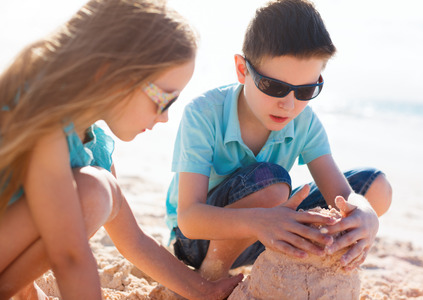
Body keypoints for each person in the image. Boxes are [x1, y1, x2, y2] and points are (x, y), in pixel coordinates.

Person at [0, 0, 243, 299]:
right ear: (112, 74)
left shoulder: (93, 148)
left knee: (99, 189)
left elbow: (134, 241)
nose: (166, 116)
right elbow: (70, 258)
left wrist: (202, 289)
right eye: (164, 99)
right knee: (95, 190)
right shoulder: (44, 118)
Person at [165, 0, 393, 281]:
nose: (288, 104)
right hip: (198, 241)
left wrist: (367, 215)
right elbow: (189, 219)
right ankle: (212, 275)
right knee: (272, 184)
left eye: (306, 90)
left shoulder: (305, 122)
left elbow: (342, 195)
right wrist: (260, 218)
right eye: (274, 87)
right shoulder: (203, 114)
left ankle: (309, 267)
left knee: (376, 187)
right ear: (242, 69)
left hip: (270, 231)